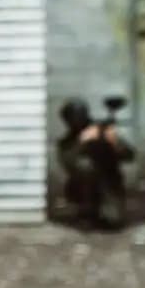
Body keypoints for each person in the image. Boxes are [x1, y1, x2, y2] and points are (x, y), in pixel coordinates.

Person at [57, 98, 135, 230]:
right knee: (85, 166)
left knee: (113, 221)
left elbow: (130, 156)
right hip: (81, 187)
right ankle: (86, 210)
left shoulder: (100, 130)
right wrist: (82, 141)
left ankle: (103, 209)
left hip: (109, 184)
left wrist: (115, 142)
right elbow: (68, 162)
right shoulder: (67, 141)